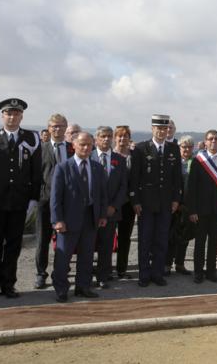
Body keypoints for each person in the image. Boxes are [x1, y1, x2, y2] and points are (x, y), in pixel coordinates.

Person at [0, 98, 42, 301]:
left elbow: (35, 172)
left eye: (16, 113)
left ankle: (8, 284)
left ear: (21, 116)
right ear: (2, 116)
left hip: (19, 202)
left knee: (13, 245)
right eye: (8, 113)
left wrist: (33, 199)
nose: (12, 116)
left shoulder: (31, 139)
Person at [50, 132, 108, 302]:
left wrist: (102, 214)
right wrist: (57, 220)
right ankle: (61, 289)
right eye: (82, 144)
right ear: (73, 145)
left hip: (91, 218)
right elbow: (55, 197)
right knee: (63, 257)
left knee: (87, 255)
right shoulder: (63, 167)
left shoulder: (97, 168)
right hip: (68, 220)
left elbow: (102, 195)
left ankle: (83, 287)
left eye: (89, 145)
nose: (85, 148)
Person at [129, 114, 182, 287]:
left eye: (165, 128)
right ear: (152, 129)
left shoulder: (173, 149)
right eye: (158, 128)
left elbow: (177, 179)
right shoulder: (141, 148)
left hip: (166, 203)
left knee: (161, 239)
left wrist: (176, 199)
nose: (162, 131)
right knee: (145, 240)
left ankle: (157, 273)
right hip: (146, 203)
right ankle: (144, 274)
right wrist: (135, 201)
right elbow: (134, 178)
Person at [34, 113, 73, 290]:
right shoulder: (40, 149)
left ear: (66, 128)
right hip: (45, 201)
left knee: (65, 239)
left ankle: (62, 271)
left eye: (60, 126)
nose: (57, 129)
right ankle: (40, 274)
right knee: (43, 240)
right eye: (54, 126)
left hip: (68, 202)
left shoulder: (73, 148)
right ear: (49, 128)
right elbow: (34, 175)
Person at [187, 130, 217, 284]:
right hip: (201, 210)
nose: (213, 141)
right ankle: (198, 272)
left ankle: (211, 271)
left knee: (214, 242)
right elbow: (191, 188)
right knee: (199, 242)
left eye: (216, 139)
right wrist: (192, 210)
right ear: (205, 142)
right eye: (210, 139)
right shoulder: (198, 160)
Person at [93, 126, 129, 289]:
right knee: (87, 245)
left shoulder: (119, 160)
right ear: (96, 139)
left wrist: (114, 206)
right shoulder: (89, 156)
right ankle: (85, 275)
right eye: (102, 136)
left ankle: (103, 276)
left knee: (106, 246)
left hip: (111, 211)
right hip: (90, 211)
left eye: (108, 136)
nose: (106, 139)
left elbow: (123, 187)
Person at [165, 136, 194, 276]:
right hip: (173, 205)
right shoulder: (172, 162)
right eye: (184, 147)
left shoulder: (195, 163)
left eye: (189, 147)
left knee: (184, 237)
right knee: (170, 237)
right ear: (179, 148)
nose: (186, 149)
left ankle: (180, 264)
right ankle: (167, 264)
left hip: (188, 206)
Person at [112, 125, 136, 279]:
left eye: (125, 136)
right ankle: (105, 268)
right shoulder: (109, 155)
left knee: (125, 237)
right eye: (119, 136)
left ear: (129, 138)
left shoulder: (134, 155)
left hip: (128, 203)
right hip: (112, 203)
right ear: (115, 137)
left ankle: (122, 268)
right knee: (107, 237)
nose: (122, 139)